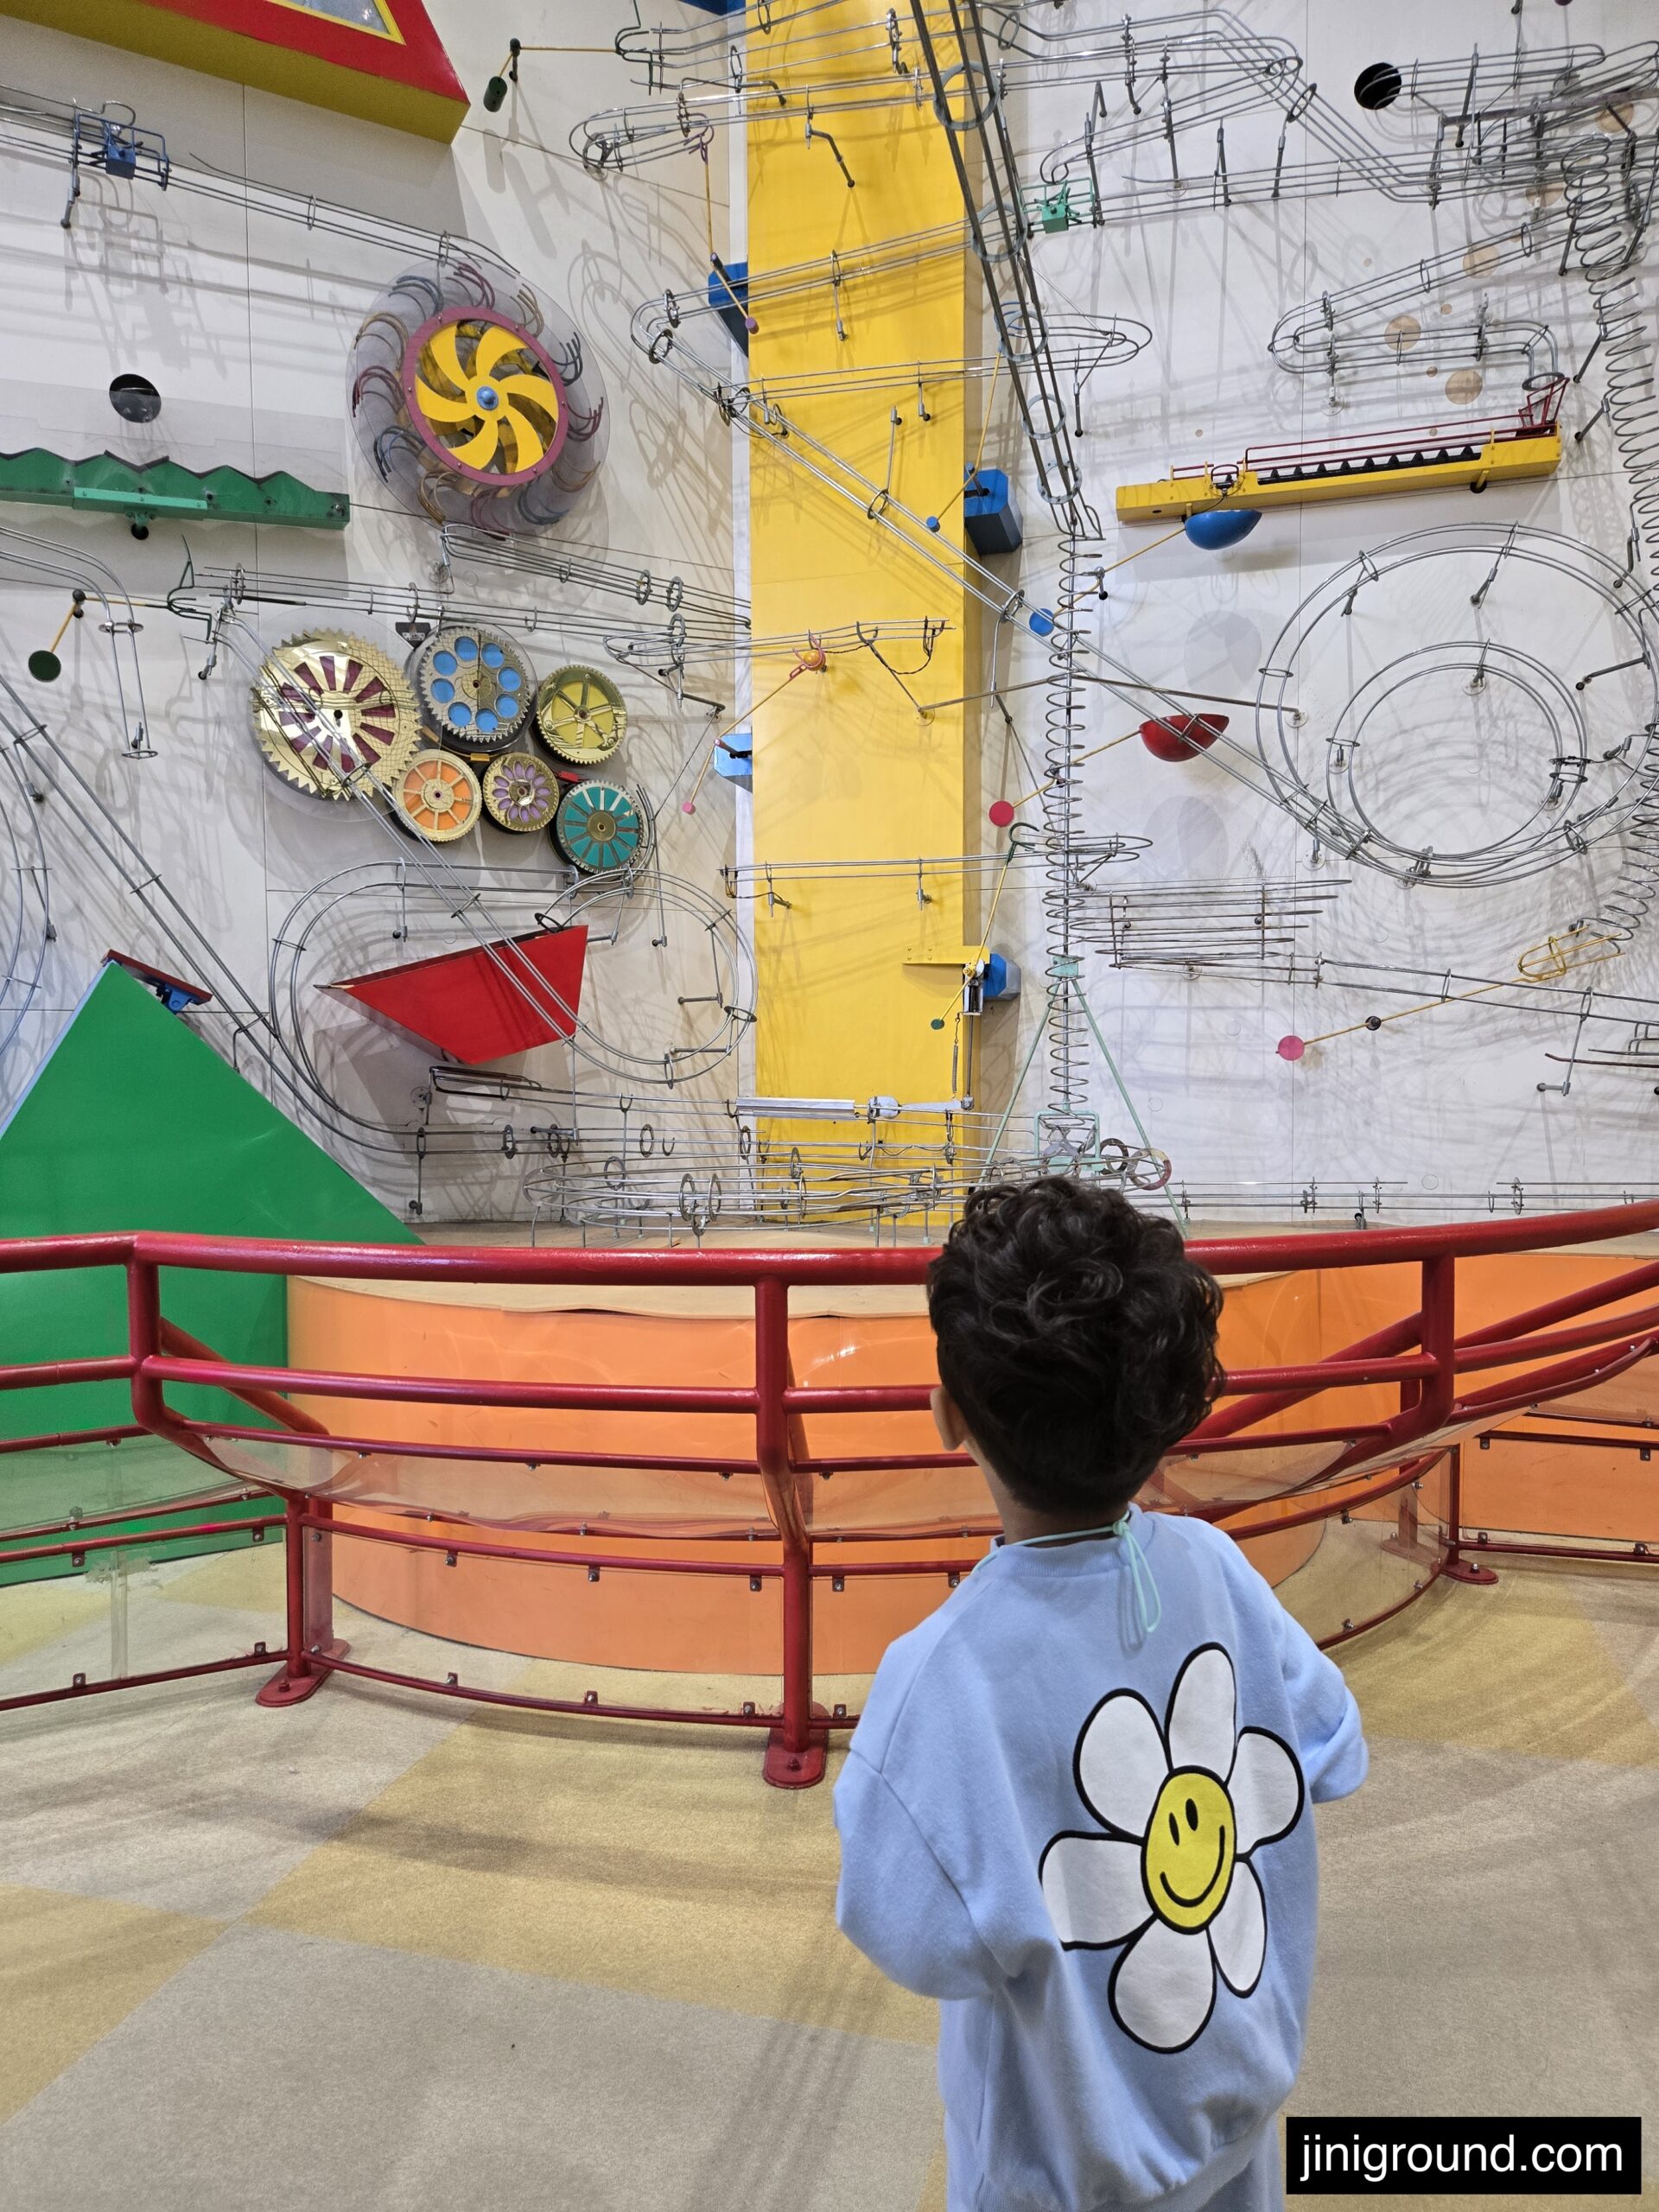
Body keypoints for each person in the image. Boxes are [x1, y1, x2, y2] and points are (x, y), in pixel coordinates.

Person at [835, 1178, 1366, 2212]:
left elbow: (910, 1928)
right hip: (1236, 2120)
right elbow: (1333, 1748)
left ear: (949, 1416)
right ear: (1163, 1417)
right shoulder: (1216, 1569)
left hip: (1061, 2172)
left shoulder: (942, 1672)